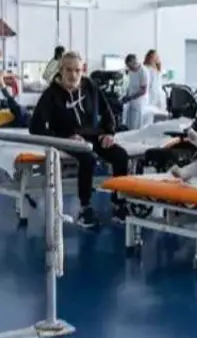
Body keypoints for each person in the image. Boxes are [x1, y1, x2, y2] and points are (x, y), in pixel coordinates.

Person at [29, 51, 131, 228]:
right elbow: (35, 128)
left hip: (93, 135)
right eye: (69, 70)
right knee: (88, 159)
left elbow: (107, 112)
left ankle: (119, 202)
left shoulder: (89, 85)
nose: (73, 75)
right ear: (61, 70)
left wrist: (109, 133)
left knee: (121, 156)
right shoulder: (51, 94)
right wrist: (65, 138)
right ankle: (85, 208)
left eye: (77, 70)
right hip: (67, 138)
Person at [121, 52, 149, 130]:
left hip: (139, 103)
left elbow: (143, 90)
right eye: (128, 66)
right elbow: (129, 85)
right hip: (131, 102)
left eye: (130, 66)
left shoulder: (143, 71)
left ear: (135, 63)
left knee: (135, 126)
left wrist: (130, 97)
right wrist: (126, 95)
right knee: (128, 124)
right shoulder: (131, 70)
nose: (129, 68)